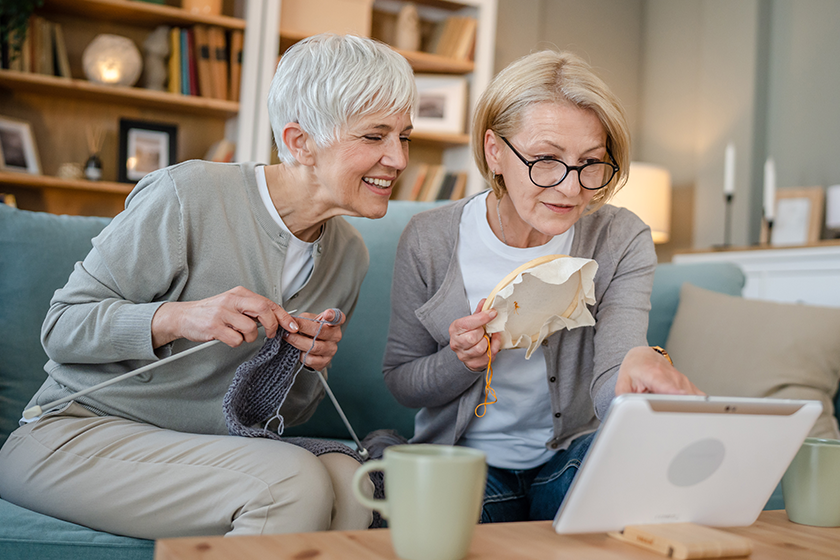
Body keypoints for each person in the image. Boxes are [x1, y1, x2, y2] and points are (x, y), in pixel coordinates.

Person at [0, 34, 416, 538]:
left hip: (205, 452)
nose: (398, 158)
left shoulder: (349, 254)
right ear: (301, 141)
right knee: (288, 483)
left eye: (404, 136)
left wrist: (306, 365)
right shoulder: (188, 194)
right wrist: (179, 317)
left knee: (353, 484)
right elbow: (62, 327)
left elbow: (281, 414)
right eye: (375, 137)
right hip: (74, 432)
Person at [382, 50, 702, 523]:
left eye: (591, 163)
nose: (571, 189)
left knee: (636, 477)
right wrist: (460, 362)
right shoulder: (430, 240)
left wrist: (633, 375)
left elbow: (614, 367)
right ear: (495, 150)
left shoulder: (619, 238)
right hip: (466, 466)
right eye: (546, 159)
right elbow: (402, 381)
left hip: (566, 460)